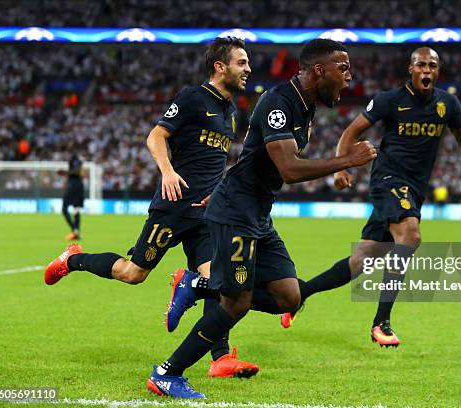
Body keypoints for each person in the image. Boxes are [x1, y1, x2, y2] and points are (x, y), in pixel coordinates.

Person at [147, 39, 377, 399]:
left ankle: (197, 285)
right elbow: (288, 168)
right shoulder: (279, 103)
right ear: (320, 70)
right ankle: (168, 372)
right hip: (237, 210)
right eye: (343, 68)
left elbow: (258, 163)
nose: (350, 77)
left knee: (290, 297)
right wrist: (349, 160)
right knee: (235, 303)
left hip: (257, 213)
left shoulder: (306, 106)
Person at [44, 37, 258, 384]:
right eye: (241, 63)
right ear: (220, 67)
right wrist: (168, 171)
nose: (248, 69)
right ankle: (73, 258)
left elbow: (215, 164)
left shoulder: (232, 113)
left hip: (207, 213)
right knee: (133, 273)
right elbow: (156, 136)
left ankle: (219, 358)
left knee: (221, 284)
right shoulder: (193, 97)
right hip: (174, 207)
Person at [281, 47, 461, 347]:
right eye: (421, 65)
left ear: (437, 71)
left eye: (433, 66)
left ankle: (301, 294)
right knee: (410, 237)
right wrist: (341, 167)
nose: (427, 71)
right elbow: (351, 132)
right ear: (410, 70)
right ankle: (381, 324)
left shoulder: (447, 104)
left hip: (414, 189)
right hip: (388, 180)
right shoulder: (390, 100)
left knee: (360, 261)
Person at [62, 153, 84, 241]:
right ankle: (75, 231)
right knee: (76, 210)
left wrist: (66, 174)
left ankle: (74, 231)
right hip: (78, 186)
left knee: (65, 209)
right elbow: (80, 173)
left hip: (73, 187)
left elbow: (77, 172)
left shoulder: (73, 162)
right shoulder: (79, 163)